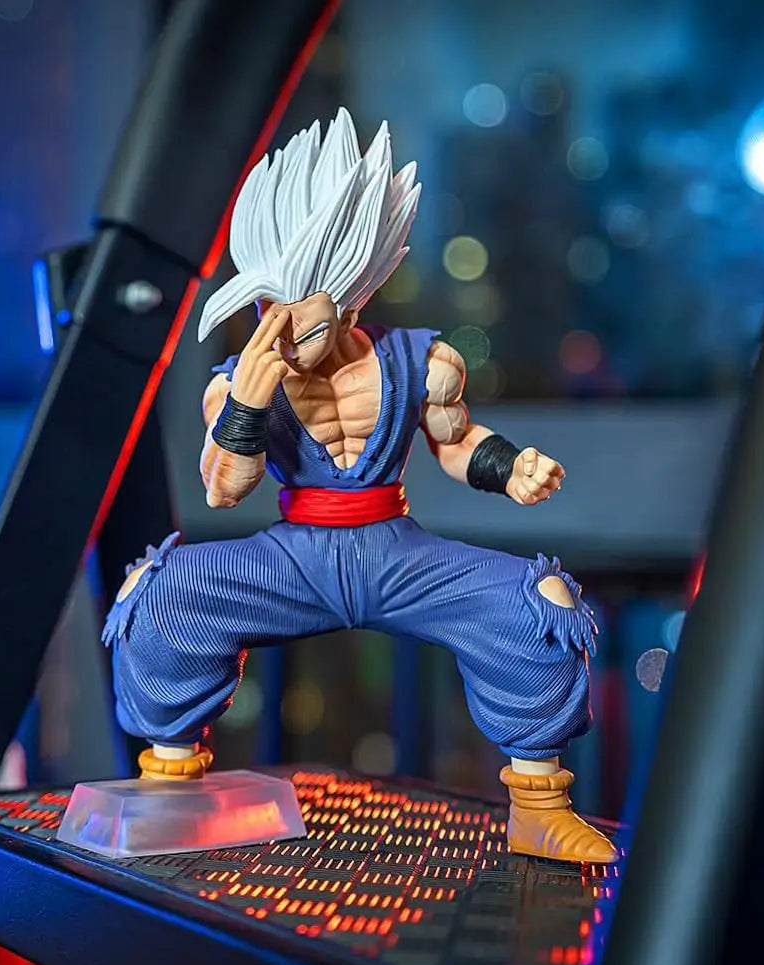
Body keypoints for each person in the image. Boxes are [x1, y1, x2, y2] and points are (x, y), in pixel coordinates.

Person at [104, 108, 616, 864]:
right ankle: (169, 784)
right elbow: (223, 488)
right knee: (158, 594)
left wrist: (511, 469)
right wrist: (247, 402)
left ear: (347, 297)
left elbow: (455, 443)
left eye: (299, 315)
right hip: (295, 555)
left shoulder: (423, 361)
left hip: (393, 549)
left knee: (538, 606)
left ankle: (539, 808)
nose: (278, 331)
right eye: (266, 308)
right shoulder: (239, 382)